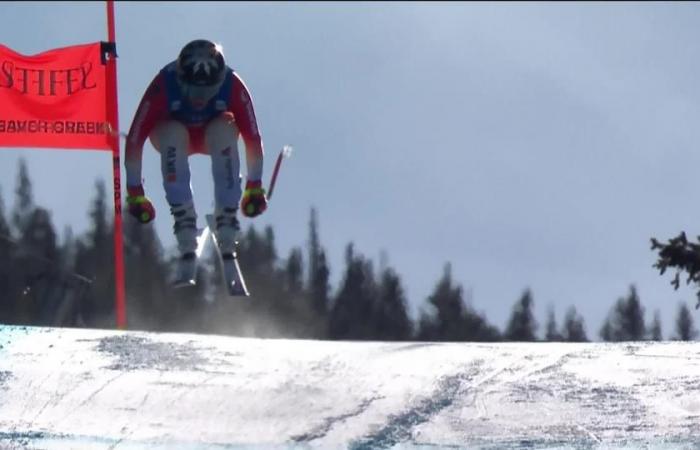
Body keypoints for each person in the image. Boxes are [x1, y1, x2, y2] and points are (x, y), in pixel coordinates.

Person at [123, 39, 267, 263]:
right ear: (180, 79)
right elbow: (134, 140)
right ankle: (184, 218)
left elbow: (253, 139)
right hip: (172, 135)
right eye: (192, 89)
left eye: (208, 90)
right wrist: (135, 193)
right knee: (173, 132)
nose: (199, 99)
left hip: (211, 135)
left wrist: (254, 187)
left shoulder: (233, 86)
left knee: (225, 130)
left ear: (219, 81)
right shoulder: (163, 85)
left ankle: (227, 214)